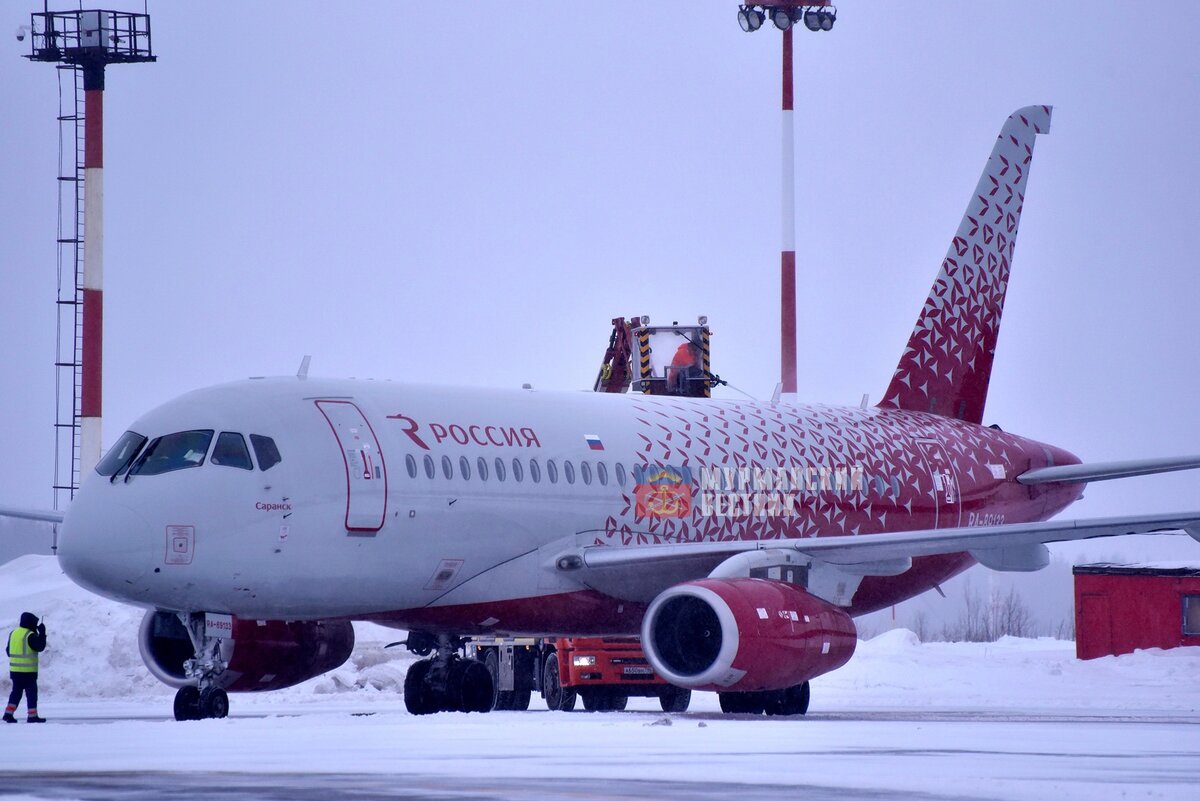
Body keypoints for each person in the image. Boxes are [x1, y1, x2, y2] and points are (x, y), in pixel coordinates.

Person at [5, 612, 47, 723]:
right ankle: (32, 716)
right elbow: (40, 646)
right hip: (28, 672)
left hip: (15, 671)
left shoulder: (13, 633)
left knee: (16, 693)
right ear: (30, 623)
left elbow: (8, 651)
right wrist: (42, 633)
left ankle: (8, 714)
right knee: (31, 694)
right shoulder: (30, 635)